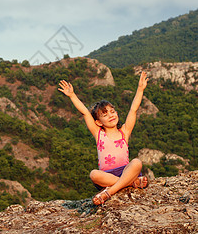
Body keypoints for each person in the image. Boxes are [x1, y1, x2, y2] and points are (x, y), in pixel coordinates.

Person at [58, 71, 149, 205]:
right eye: (105, 115)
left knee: (136, 162)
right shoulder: (98, 133)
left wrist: (140, 89)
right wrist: (72, 95)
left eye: (112, 112)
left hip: (126, 170)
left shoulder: (124, 131)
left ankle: (110, 192)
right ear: (98, 122)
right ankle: (130, 183)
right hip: (107, 176)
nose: (111, 115)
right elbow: (84, 112)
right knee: (94, 174)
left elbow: (133, 110)